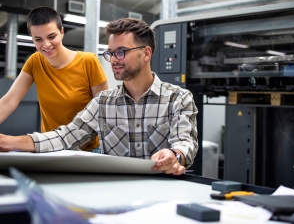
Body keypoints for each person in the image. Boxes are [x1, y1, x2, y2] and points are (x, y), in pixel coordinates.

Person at [0, 18, 198, 175]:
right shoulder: (103, 102)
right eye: (110, 53)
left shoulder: (178, 98)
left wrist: (174, 155)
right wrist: (10, 142)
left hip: (161, 191)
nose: (113, 60)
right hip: (115, 193)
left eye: (121, 52)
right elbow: (65, 136)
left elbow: (185, 142)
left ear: (146, 53)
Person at [0, 6, 108, 152]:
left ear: (62, 32)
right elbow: (9, 101)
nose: (46, 45)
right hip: (49, 148)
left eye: (51, 37)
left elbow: (104, 112)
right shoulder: (35, 61)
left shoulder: (88, 62)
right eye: (38, 39)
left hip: (86, 150)